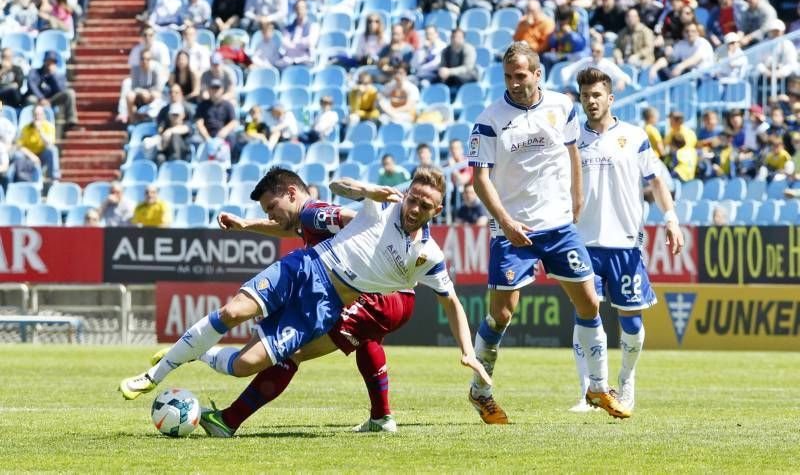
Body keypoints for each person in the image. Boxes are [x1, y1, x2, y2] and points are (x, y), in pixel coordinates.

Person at [119, 168, 491, 421]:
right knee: (234, 312)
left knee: (246, 365)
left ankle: (192, 354)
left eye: (424, 206)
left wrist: (468, 354)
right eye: (412, 199)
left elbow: (452, 303)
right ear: (406, 194)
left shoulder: (428, 256)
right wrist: (366, 191)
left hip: (326, 306)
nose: (414, 209)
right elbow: (335, 187)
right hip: (304, 268)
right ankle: (154, 374)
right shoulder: (380, 207)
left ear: (437, 210)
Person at [465, 41, 630, 421]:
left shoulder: (562, 106)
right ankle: (480, 391)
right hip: (513, 230)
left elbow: (572, 152)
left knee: (589, 302)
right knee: (502, 316)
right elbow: (479, 179)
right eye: (508, 76)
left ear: (537, 74)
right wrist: (505, 221)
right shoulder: (489, 119)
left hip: (557, 226)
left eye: (520, 75)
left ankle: (598, 388)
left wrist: (576, 199)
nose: (514, 82)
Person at [198, 168, 415, 435]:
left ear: (291, 193)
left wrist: (376, 269)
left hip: (377, 296)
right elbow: (290, 229)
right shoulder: (307, 220)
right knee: (366, 339)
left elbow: (354, 220)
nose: (270, 216)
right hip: (394, 296)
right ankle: (381, 418)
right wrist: (245, 224)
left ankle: (228, 420)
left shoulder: (314, 212)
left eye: (272, 207)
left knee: (291, 351)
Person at [570, 67, 683, 413]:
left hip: (625, 243)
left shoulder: (634, 137)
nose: (591, 101)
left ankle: (627, 381)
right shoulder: (572, 139)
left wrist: (670, 218)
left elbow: (657, 181)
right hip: (583, 242)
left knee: (630, 321)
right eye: (585, 95)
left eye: (596, 95)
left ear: (610, 98)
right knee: (584, 315)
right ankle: (589, 391)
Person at [16, 104, 60, 180]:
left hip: (43, 155)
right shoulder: (26, 128)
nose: (37, 117)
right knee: (18, 154)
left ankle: (54, 178)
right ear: (32, 116)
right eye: (35, 114)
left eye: (40, 114)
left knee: (53, 150)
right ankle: (22, 179)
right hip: (30, 157)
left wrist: (40, 131)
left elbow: (49, 144)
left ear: (43, 115)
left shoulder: (49, 126)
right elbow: (20, 146)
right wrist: (32, 156)